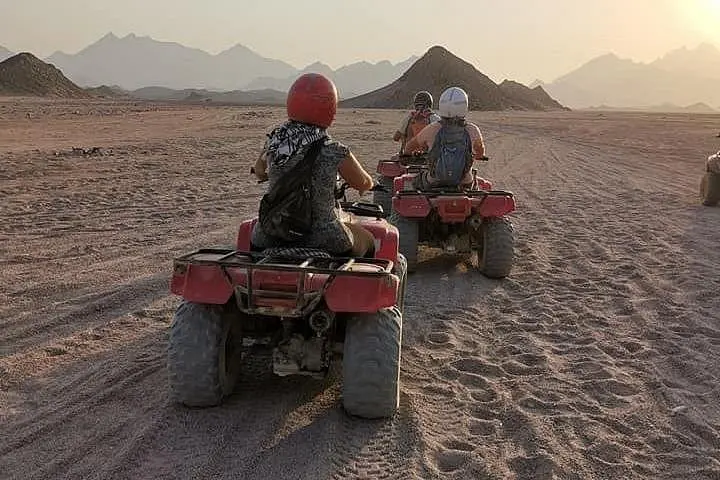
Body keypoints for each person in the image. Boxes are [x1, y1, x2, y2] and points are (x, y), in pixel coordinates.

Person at [251, 73, 376, 257]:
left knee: (252, 246)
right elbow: (362, 182)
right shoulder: (332, 149)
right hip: (324, 238)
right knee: (369, 241)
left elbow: (261, 172)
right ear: (330, 106)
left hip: (270, 235)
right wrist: (369, 184)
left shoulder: (275, 142)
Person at [403, 86, 485, 189]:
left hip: (434, 182)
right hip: (464, 183)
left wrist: (407, 154)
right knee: (475, 188)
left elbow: (410, 146)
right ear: (465, 106)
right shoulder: (473, 130)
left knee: (414, 183)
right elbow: (480, 152)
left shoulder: (432, 129)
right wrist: (477, 156)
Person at [393, 91, 441, 155]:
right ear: (430, 104)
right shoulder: (435, 118)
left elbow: (396, 138)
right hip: (427, 158)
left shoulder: (409, 118)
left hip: (408, 157)